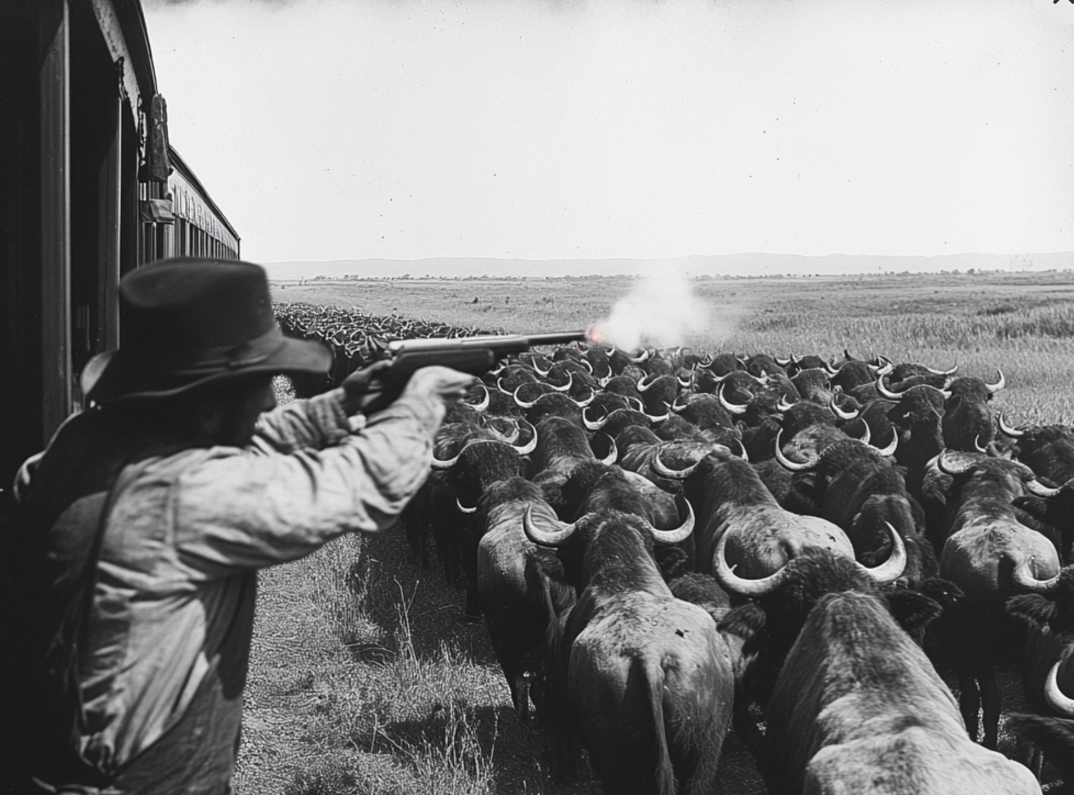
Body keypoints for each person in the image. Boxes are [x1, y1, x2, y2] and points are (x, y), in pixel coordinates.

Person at [2, 258, 474, 794]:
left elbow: (246, 434)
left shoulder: (81, 442)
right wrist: (422, 402)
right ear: (206, 401)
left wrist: (345, 403)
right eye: (258, 382)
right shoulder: (183, 494)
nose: (273, 397)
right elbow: (366, 480)